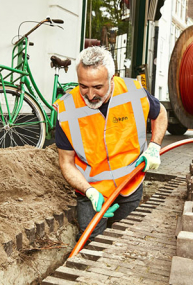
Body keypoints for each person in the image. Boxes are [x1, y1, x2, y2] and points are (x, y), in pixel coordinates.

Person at [54, 46, 167, 240]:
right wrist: (89, 192)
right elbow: (66, 163)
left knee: (124, 240)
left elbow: (161, 113)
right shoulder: (67, 109)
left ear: (112, 78)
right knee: (91, 241)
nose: (90, 95)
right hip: (92, 190)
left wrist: (155, 146)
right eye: (83, 86)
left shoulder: (134, 92)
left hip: (130, 183)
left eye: (98, 87)